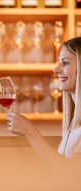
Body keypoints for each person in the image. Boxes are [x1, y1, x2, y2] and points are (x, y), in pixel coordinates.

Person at [7, 37, 81, 170]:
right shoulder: (73, 127)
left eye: (65, 63)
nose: (56, 69)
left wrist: (30, 131)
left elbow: (71, 176)